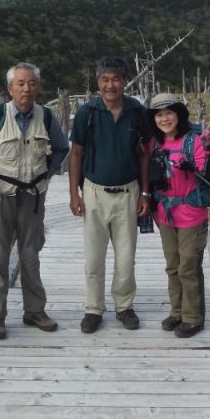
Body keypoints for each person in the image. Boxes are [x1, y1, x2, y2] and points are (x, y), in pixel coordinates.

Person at [0, 62, 70, 340]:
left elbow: (61, 148)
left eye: (32, 83)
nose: (27, 89)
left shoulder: (47, 116)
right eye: (21, 83)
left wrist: (47, 173)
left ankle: (35, 311)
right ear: (10, 88)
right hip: (1, 195)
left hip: (34, 196)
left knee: (30, 254)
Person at [68, 56, 151, 333]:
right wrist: (74, 194)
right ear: (97, 82)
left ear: (125, 82)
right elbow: (76, 152)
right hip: (93, 192)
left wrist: (145, 193)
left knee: (126, 257)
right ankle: (93, 308)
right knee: (94, 256)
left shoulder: (136, 110)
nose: (110, 85)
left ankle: (124, 306)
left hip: (129, 192)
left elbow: (144, 155)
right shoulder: (87, 112)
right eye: (105, 79)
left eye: (116, 79)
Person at [146, 93, 208, 338]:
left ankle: (193, 317)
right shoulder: (153, 143)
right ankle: (177, 311)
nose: (164, 118)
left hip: (191, 213)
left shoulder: (194, 141)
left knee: (188, 267)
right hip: (164, 213)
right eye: (159, 114)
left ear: (179, 114)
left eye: (169, 113)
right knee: (173, 266)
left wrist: (209, 150)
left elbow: (205, 171)